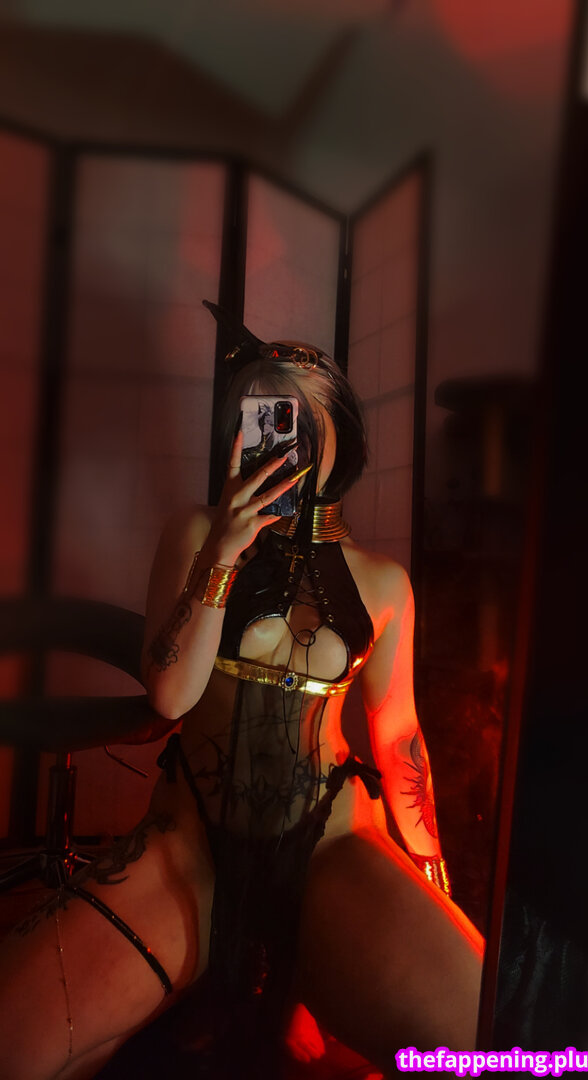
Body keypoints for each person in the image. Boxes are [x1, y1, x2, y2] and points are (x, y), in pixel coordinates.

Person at [0, 305, 483, 1080]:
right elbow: (170, 695)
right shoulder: (195, 534)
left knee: (491, 1046)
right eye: (262, 419)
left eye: (297, 419)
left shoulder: (386, 583)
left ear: (341, 431)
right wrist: (223, 552)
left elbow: (399, 733)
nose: (279, 441)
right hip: (190, 844)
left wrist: (433, 880)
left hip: (331, 849)